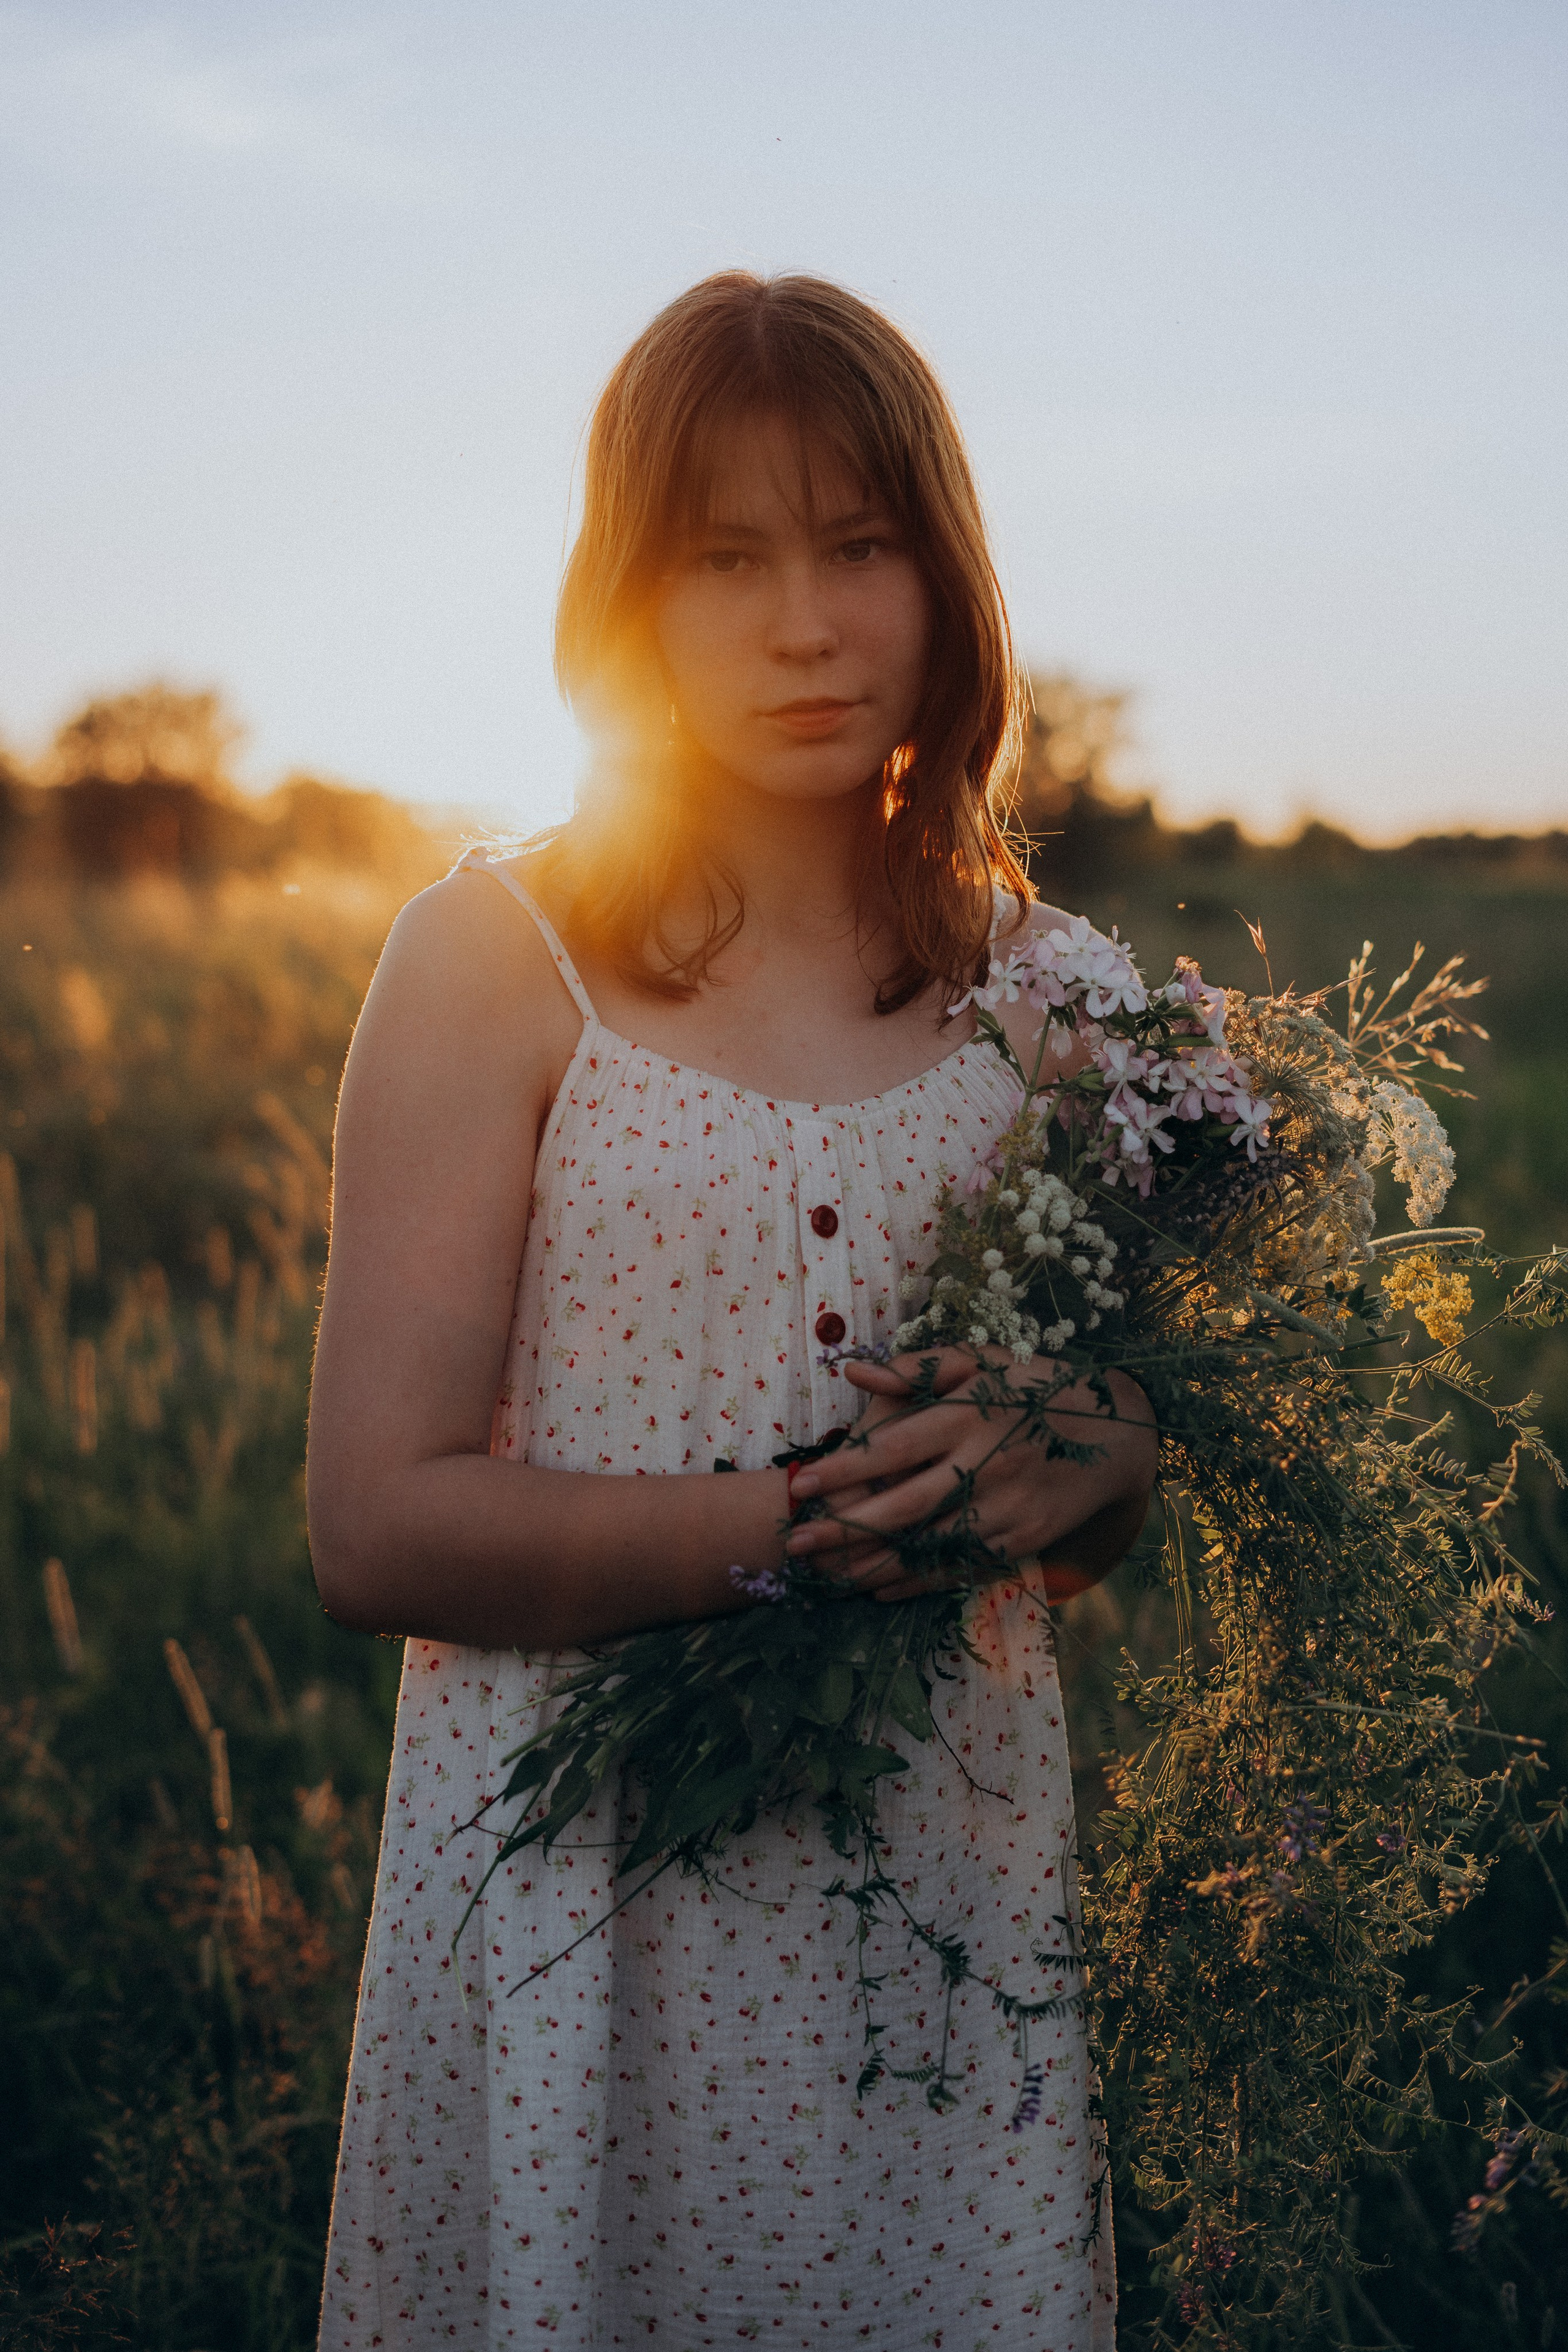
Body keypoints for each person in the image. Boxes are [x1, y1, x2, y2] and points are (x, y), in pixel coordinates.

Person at [308, 271, 1155, 2349]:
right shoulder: (498, 959)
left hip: (932, 1906)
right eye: (729, 559)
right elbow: (374, 1523)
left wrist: (1090, 1453)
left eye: (861, 546)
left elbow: (1106, 1508)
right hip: (583, 1890)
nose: (803, 621)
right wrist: (791, 1537)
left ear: (945, 582)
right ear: (631, 599)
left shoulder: (1065, 1001)